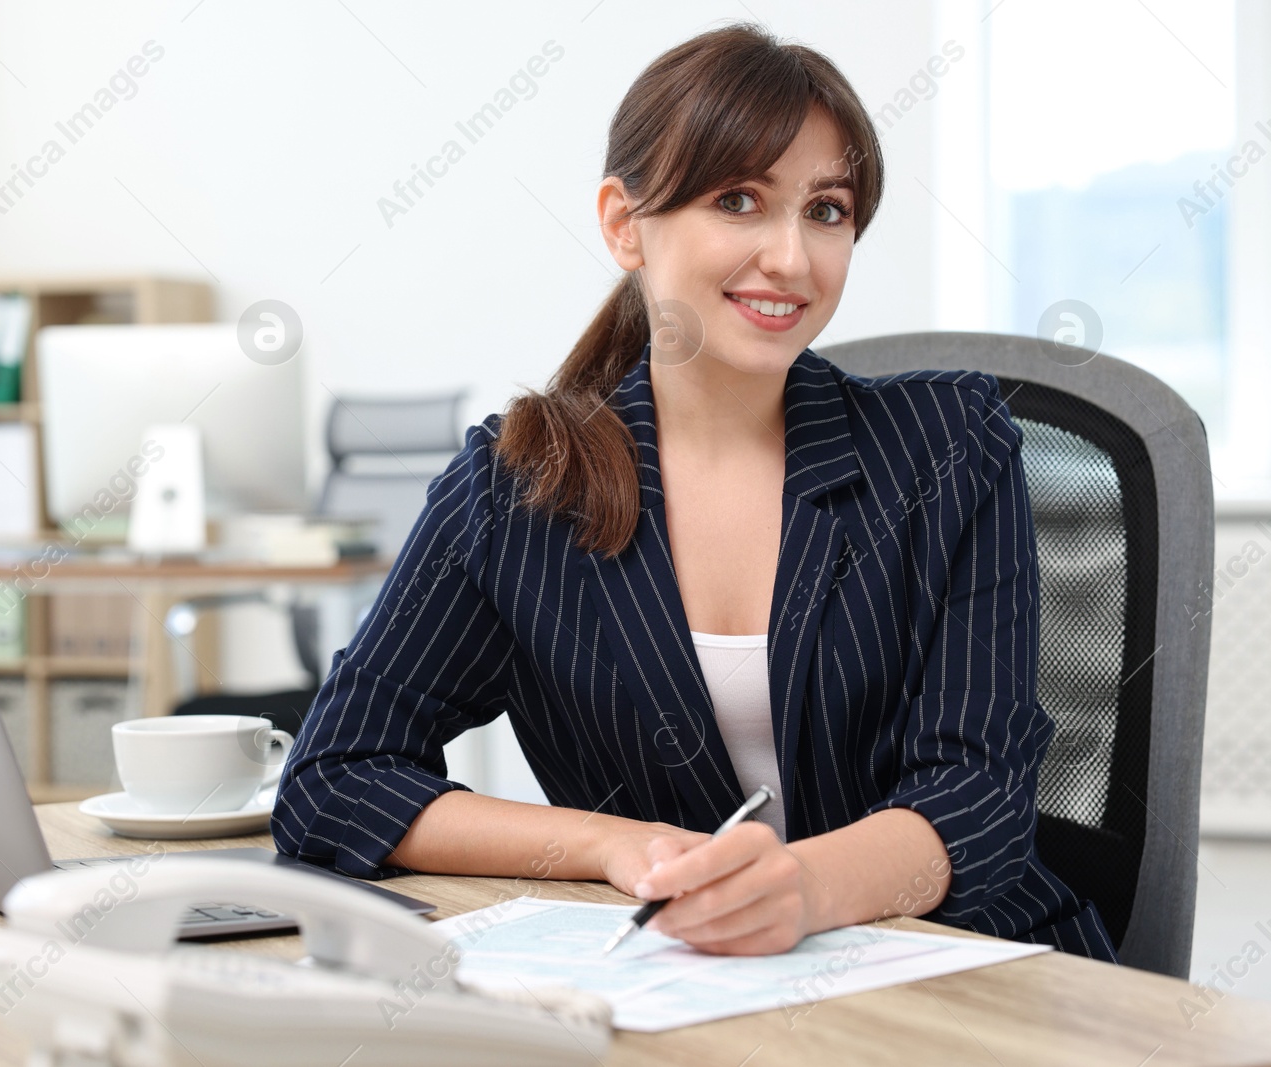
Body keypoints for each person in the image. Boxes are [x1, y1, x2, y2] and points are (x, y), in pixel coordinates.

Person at [272, 21, 1118, 962]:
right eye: (740, 199)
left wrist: (798, 891)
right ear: (624, 224)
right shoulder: (515, 491)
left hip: (959, 971)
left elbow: (980, 801)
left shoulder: (952, 449)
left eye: (827, 210)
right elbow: (338, 775)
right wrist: (613, 846)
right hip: (688, 987)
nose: (792, 259)